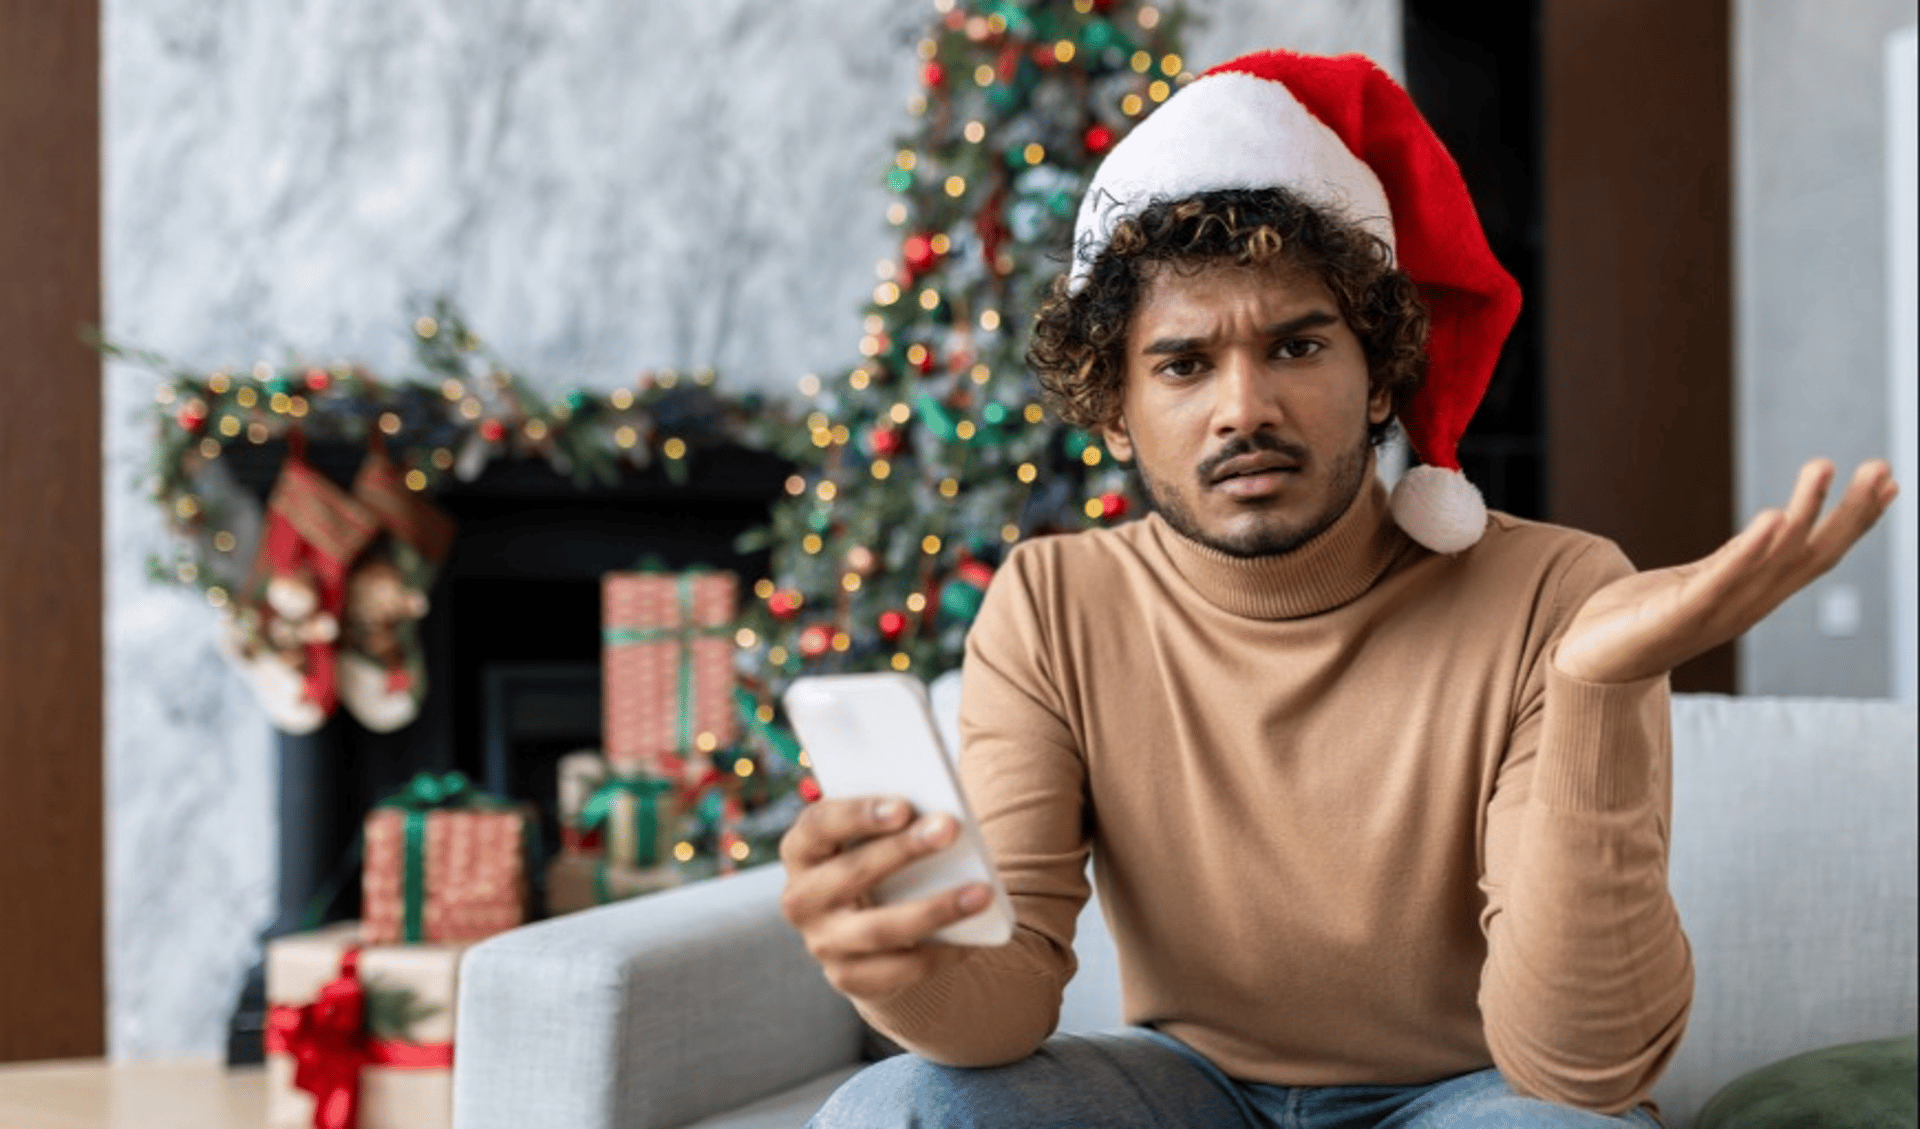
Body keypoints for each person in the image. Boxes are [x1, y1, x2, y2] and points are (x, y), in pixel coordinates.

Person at [777, 49, 1899, 1128]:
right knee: (898, 1107)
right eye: (1183, 364)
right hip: (1192, 1092)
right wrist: (901, 963)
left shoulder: (1559, 593)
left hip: (1473, 1094)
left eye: (1298, 347)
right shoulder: (1052, 605)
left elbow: (1578, 1068)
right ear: (1115, 409)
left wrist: (1597, 688)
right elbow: (1006, 1006)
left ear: (1378, 380)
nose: (1244, 409)